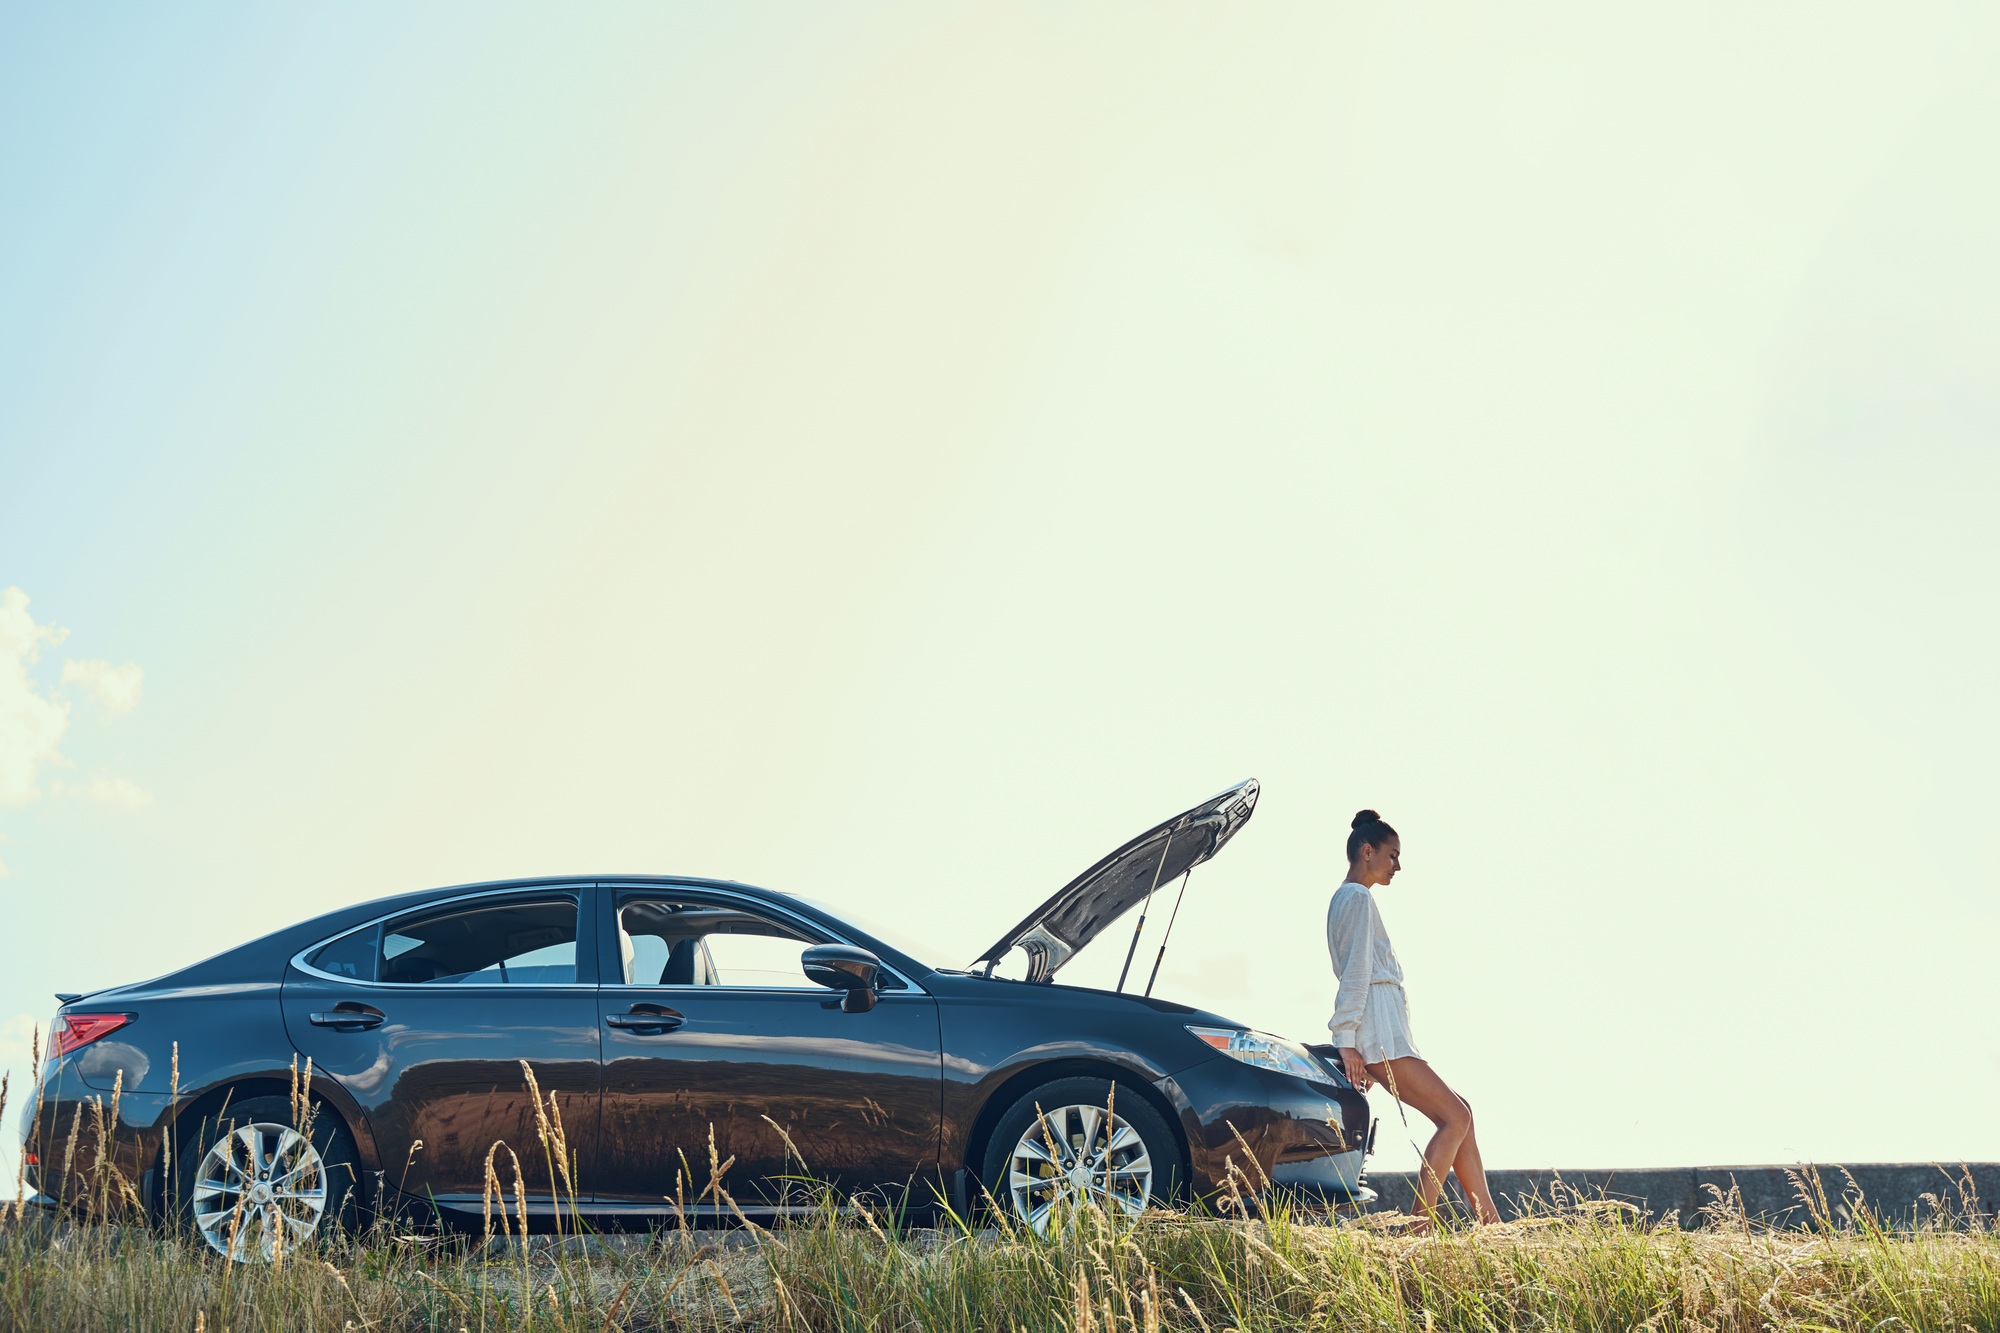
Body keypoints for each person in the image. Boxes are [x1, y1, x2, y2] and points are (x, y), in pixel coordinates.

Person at [1327, 809, 1500, 1227]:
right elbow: (1357, 971)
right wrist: (1347, 1041)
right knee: (1454, 1117)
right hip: (1378, 1034)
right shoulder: (1358, 897)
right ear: (1367, 852)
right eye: (1392, 856)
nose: (1398, 866)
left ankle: (1490, 1224)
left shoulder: (1345, 898)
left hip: (1381, 1032)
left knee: (1462, 1112)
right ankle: (1420, 1227)